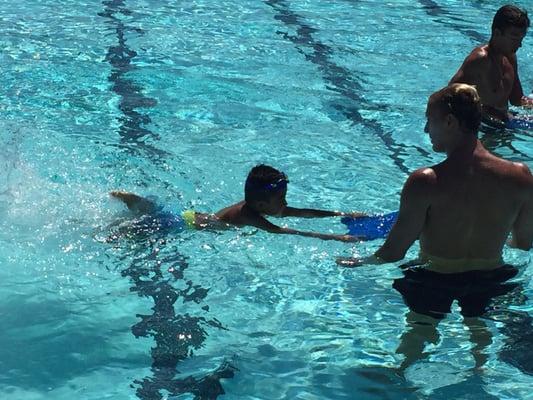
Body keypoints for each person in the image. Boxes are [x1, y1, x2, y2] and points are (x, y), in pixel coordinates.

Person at [338, 83, 533, 370]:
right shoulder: (519, 175)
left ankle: (401, 377)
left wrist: (359, 262)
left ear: (450, 122)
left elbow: (394, 252)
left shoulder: (426, 181)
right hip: (491, 278)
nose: (427, 130)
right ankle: (479, 373)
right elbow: (524, 242)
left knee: (418, 335)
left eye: (429, 120)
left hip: (434, 279)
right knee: (481, 336)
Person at [111, 164, 362, 242]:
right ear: (263, 205)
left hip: (189, 216)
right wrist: (338, 238)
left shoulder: (256, 206)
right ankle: (130, 207)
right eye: (281, 199)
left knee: (151, 215)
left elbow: (303, 213)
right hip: (181, 225)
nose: (286, 203)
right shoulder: (249, 215)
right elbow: (287, 230)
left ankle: (135, 204)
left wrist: (341, 214)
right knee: (132, 233)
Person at [449, 4, 533, 127]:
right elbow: (448, 96)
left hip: (505, 122)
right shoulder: (480, 59)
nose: (519, 45)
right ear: (497, 33)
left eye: (521, 39)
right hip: (484, 127)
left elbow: (517, 99)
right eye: (514, 38)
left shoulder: (510, 57)